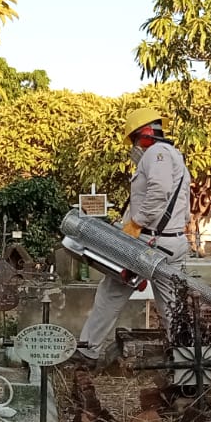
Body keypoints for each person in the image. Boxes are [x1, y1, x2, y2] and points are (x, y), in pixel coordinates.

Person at [76, 107, 192, 361]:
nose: (135, 147)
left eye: (135, 140)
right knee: (171, 306)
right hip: (172, 242)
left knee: (111, 293)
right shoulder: (176, 157)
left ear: (145, 134)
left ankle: (87, 351)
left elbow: (158, 192)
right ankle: (184, 359)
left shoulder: (156, 154)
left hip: (149, 242)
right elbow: (183, 209)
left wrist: (136, 224)